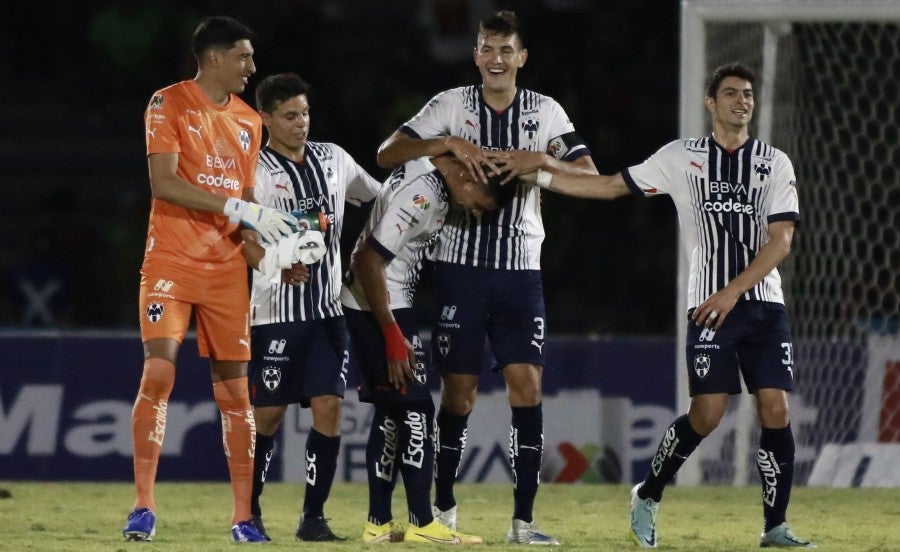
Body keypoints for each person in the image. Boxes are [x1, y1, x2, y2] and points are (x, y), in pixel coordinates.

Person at [520, 63, 815, 549]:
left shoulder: (774, 163)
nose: (742, 101)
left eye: (747, 94)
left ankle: (775, 527)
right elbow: (611, 185)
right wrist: (544, 178)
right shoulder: (682, 157)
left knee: (775, 408)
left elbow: (780, 241)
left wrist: (734, 290)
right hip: (707, 307)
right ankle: (648, 493)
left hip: (761, 303)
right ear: (710, 104)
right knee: (707, 415)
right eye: (730, 93)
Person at [376, 10, 597, 545]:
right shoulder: (451, 105)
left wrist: (538, 162)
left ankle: (523, 521)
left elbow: (589, 175)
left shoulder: (545, 113)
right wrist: (447, 145)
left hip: (521, 275)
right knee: (460, 394)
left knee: (529, 386)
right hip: (460, 270)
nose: (496, 59)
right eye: (487, 49)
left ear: (522, 57)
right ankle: (445, 509)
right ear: (476, 56)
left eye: (506, 50)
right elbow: (388, 153)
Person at [123, 16, 297, 544]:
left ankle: (243, 518)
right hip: (171, 262)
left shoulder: (250, 120)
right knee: (158, 375)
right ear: (215, 58)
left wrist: (269, 252)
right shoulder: (167, 103)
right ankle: (143, 508)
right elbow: (164, 183)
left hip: (225, 271)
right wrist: (237, 205)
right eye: (243, 57)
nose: (251, 67)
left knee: (237, 397)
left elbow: (242, 215)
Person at [341, 155, 517, 545]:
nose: (473, 214)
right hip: (381, 305)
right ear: (469, 183)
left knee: (391, 413)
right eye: (479, 206)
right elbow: (367, 259)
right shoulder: (423, 194)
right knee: (418, 410)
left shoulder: (423, 168)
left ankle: (378, 525)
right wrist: (390, 335)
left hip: (374, 303)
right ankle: (422, 522)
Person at [240, 72, 383, 542]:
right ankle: (250, 513)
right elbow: (241, 238)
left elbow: (377, 198)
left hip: (327, 313)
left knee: (329, 407)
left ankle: (313, 518)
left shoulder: (334, 159)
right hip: (274, 313)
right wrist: (273, 266)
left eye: (304, 113)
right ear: (265, 118)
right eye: (289, 116)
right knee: (269, 416)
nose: (300, 123)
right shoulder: (252, 171)